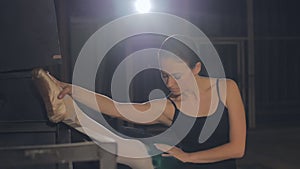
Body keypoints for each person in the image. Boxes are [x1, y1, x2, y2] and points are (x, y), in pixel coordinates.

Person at [34, 36, 246, 169]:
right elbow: (116, 109)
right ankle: (69, 112)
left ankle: (70, 113)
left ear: (196, 68)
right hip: (182, 167)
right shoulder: (169, 106)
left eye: (177, 76)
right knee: (131, 149)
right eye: (164, 76)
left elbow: (237, 148)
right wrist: (73, 90)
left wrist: (188, 156)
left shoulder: (226, 89)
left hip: (198, 162)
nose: (170, 84)